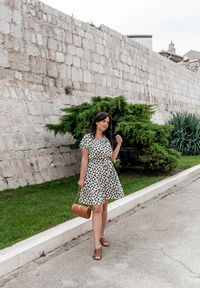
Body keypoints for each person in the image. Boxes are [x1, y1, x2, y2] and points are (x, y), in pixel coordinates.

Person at [78, 111, 124, 260]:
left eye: (107, 122)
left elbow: (112, 158)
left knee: (104, 205)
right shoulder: (87, 138)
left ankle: (102, 235)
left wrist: (119, 144)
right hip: (93, 175)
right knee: (96, 207)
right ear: (97, 122)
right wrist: (81, 178)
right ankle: (96, 246)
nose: (106, 124)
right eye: (103, 121)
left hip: (107, 174)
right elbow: (84, 160)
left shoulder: (106, 140)